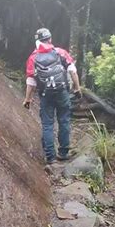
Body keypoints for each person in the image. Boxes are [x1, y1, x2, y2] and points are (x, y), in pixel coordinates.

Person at [23, 28, 81, 164]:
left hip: (45, 95)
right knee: (64, 121)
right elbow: (72, 71)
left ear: (37, 41)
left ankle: (50, 157)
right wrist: (77, 88)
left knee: (48, 125)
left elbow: (31, 82)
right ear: (50, 39)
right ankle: (64, 153)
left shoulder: (33, 58)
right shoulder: (60, 52)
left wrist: (28, 99)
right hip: (62, 92)